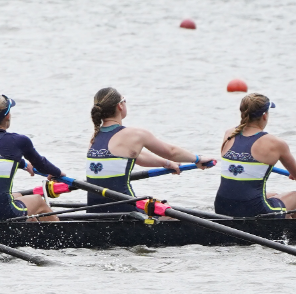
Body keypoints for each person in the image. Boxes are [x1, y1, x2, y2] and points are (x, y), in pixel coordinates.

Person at [82, 87, 211, 214]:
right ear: (120, 106)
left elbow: (138, 157)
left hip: (94, 211)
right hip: (125, 209)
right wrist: (198, 159)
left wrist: (166, 163)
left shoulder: (94, 138)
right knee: (170, 213)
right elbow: (171, 152)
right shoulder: (136, 134)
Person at [212, 92, 296, 219]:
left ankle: (285, 231)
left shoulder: (229, 134)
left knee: (274, 196)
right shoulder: (275, 143)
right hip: (254, 211)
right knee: (294, 197)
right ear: (265, 115)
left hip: (222, 206)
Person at [0, 94, 62, 221]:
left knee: (18, 196)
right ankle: (62, 238)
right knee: (38, 200)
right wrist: (57, 173)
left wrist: (25, 165)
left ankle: (30, 235)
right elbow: (41, 164)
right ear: (8, 116)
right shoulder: (19, 140)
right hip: (2, 212)